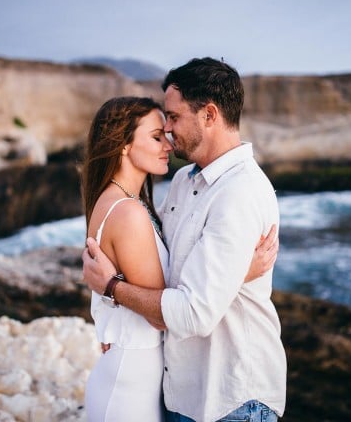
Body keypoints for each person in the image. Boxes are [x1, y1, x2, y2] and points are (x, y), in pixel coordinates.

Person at [83, 58, 286, 422]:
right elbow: (154, 260)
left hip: (232, 399)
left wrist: (112, 290)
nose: (170, 130)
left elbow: (193, 310)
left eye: (173, 118)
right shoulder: (183, 182)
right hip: (181, 393)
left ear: (209, 115)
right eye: (160, 129)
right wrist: (113, 317)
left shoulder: (239, 191)